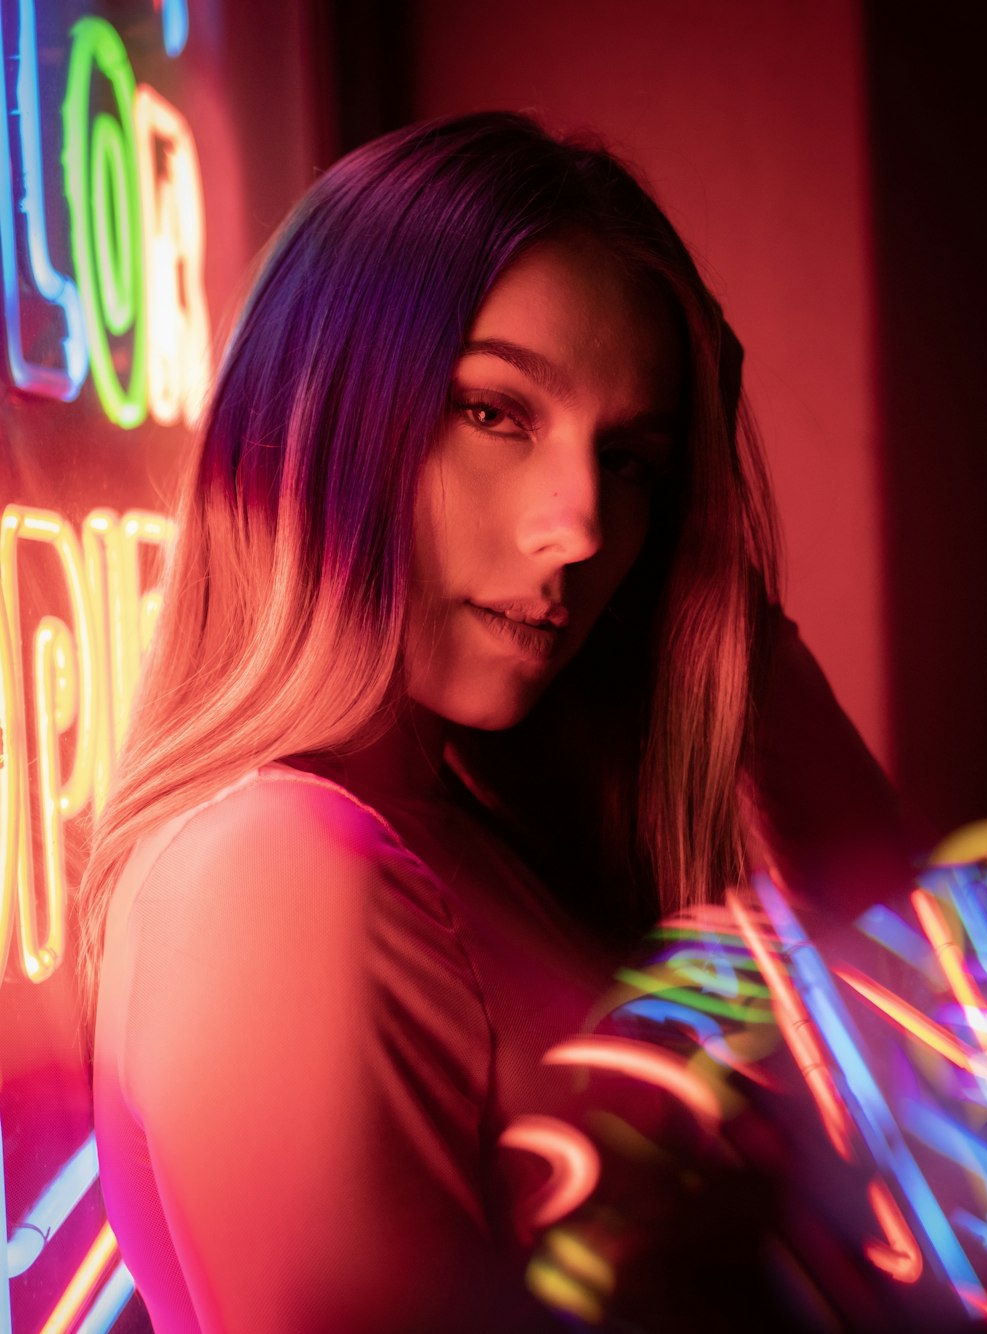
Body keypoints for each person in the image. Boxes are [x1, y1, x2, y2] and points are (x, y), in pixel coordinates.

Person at [79, 111, 908, 1332]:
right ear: (315, 411)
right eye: (494, 412)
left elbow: (913, 1036)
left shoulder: (461, 824)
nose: (578, 524)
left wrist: (713, 584)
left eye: (630, 460)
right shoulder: (281, 872)